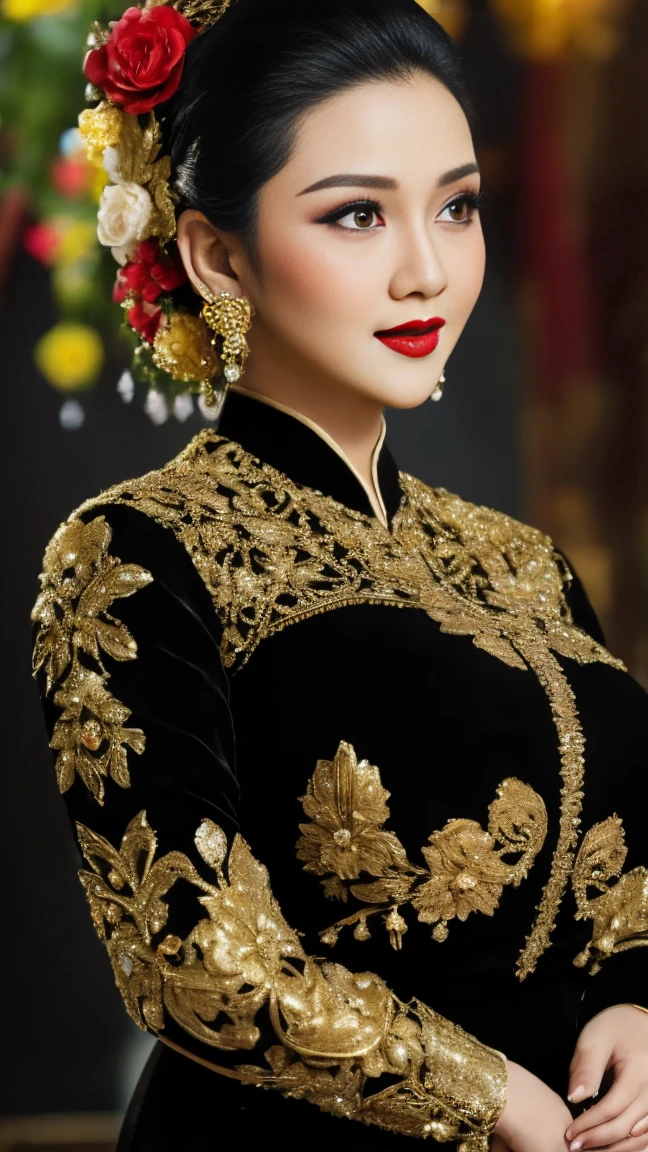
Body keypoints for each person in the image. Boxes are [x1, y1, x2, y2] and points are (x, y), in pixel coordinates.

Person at [31, 1, 648, 1149]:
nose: (428, 269)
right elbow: (191, 961)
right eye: (358, 214)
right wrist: (488, 1091)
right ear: (219, 254)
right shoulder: (136, 552)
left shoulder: (520, 561)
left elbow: (618, 871)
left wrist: (636, 996)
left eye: (456, 206)